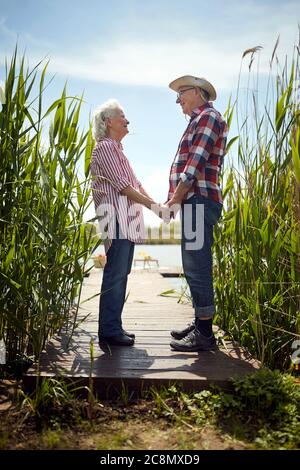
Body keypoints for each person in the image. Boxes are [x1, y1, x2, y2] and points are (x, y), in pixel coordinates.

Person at [90, 99, 164, 346]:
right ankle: (109, 332)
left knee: (121, 274)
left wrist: (158, 208)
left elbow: (136, 183)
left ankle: (114, 327)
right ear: (109, 122)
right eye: (122, 116)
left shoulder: (118, 150)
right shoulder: (105, 148)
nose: (127, 120)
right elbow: (123, 187)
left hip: (126, 222)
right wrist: (155, 207)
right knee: (116, 275)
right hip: (117, 220)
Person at [166, 75, 228, 352]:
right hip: (195, 201)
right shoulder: (198, 120)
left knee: (197, 264)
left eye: (181, 92)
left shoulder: (208, 117)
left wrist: (175, 199)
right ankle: (200, 323)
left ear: (197, 92)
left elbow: (193, 165)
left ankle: (204, 334)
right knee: (193, 263)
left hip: (199, 200)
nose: (177, 99)